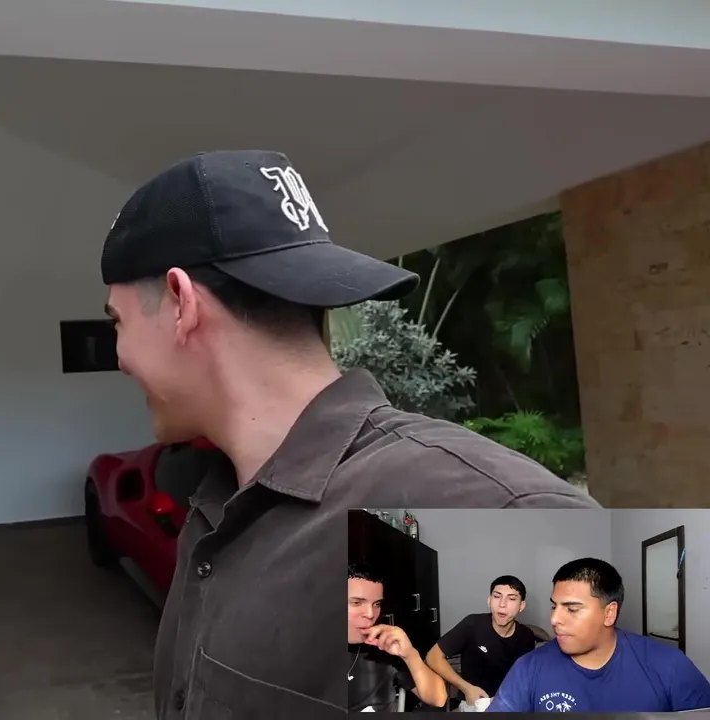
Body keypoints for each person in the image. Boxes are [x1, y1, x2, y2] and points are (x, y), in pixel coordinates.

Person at [98, 149, 601, 717]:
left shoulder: (501, 514)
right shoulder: (216, 512)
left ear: (180, 302)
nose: (119, 357)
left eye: (118, 322)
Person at [487, 558, 710, 712]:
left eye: (571, 609)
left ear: (609, 613)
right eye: (554, 606)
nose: (554, 619)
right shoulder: (528, 668)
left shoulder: (669, 665)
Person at [425, 575, 537, 710]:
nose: (502, 604)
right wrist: (466, 688)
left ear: (521, 606)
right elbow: (433, 656)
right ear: (489, 601)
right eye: (497, 596)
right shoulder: (472, 625)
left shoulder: (526, 636)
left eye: (512, 599)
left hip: (509, 702)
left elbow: (526, 678)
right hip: (474, 702)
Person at [347, 563, 448, 712]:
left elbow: (438, 699)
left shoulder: (384, 646)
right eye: (356, 603)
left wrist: (410, 655)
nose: (370, 614)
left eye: (377, 604)